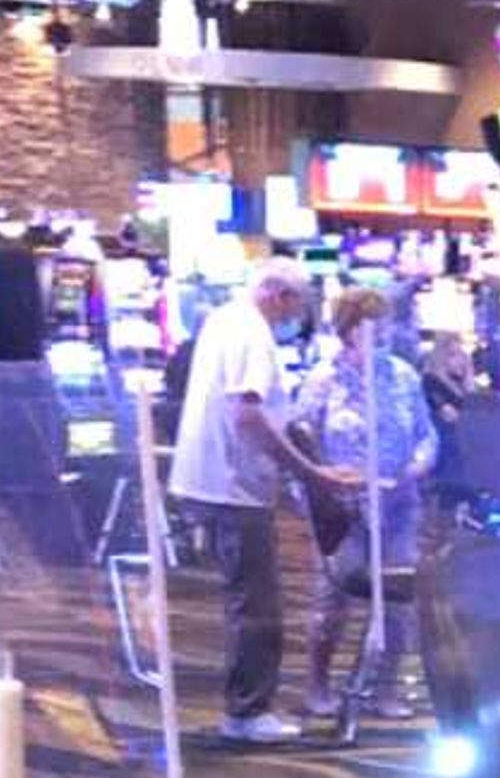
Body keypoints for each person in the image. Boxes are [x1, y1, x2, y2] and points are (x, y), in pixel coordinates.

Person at [169, 262, 355, 746]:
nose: (297, 316)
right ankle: (247, 711)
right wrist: (311, 473)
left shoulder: (224, 319)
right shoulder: (252, 333)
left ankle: (247, 706)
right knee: (256, 603)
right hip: (233, 485)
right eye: (298, 305)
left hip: (216, 480)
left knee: (247, 597)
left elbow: (274, 416)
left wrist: (311, 466)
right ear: (277, 294)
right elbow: (248, 416)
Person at [290, 284, 439, 720]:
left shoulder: (403, 376)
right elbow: (301, 444)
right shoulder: (323, 380)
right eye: (369, 325)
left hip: (399, 503)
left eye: (385, 323)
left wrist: (415, 467)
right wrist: (321, 498)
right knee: (333, 599)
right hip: (344, 510)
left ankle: (386, 687)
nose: (380, 333)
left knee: (398, 599)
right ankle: (318, 684)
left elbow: (427, 434)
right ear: (347, 330)